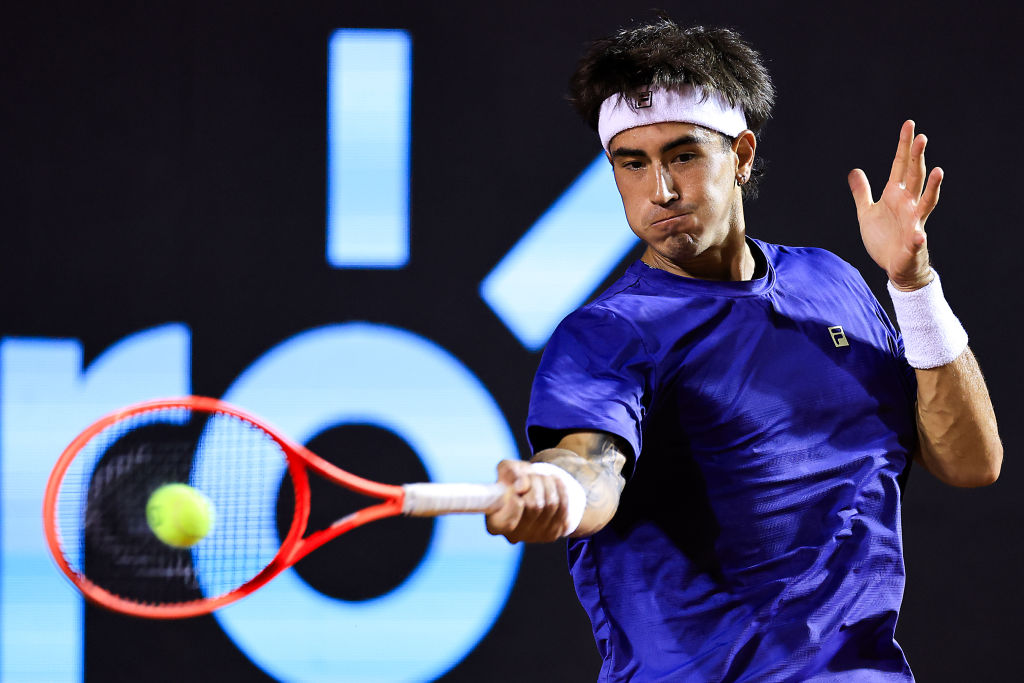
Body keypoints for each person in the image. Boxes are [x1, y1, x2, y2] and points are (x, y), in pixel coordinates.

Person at [484, 18, 1002, 682]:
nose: (660, 190)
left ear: (743, 155)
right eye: (632, 163)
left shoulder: (833, 283)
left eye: (683, 155)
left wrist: (913, 285)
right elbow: (591, 463)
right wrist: (559, 488)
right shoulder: (608, 332)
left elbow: (971, 461)